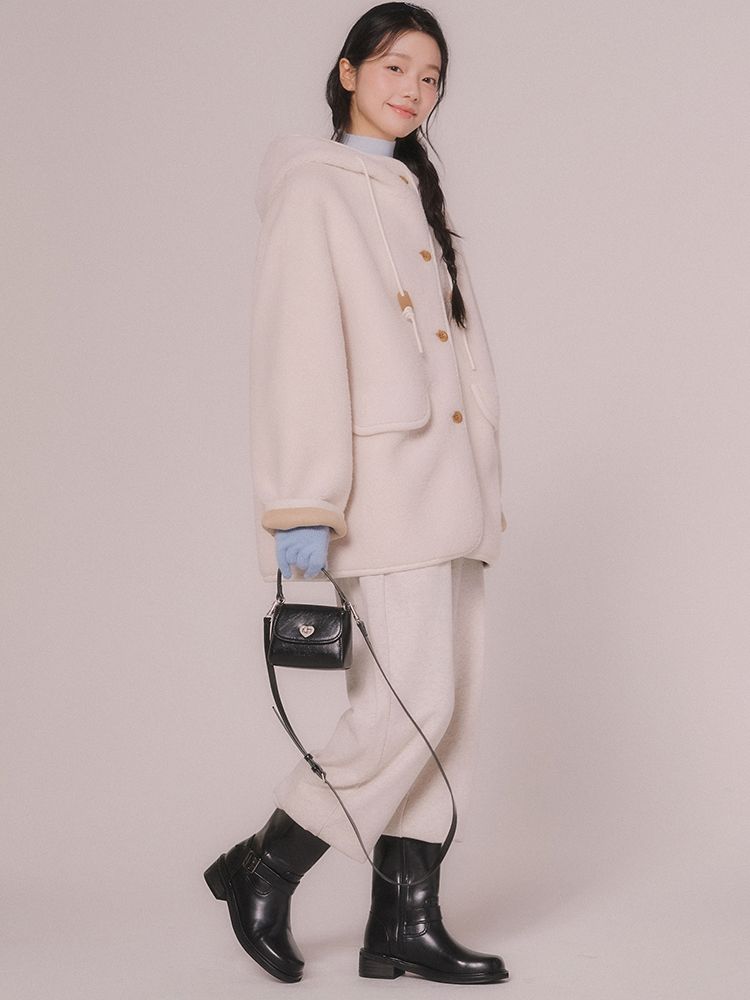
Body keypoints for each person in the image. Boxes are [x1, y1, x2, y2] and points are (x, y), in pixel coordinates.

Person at [204, 2, 509, 986]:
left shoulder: (409, 191)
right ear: (347, 72)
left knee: (447, 717)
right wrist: (302, 512)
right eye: (394, 67)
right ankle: (264, 865)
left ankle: (402, 921)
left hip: (451, 497)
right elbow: (297, 359)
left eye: (430, 76)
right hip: (382, 497)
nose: (414, 89)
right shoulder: (314, 190)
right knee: (406, 707)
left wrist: (486, 484)